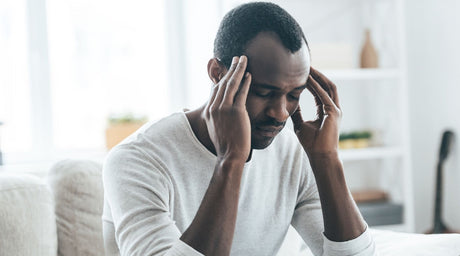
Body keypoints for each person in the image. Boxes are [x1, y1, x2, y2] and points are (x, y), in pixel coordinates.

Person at [102, 2, 376, 256]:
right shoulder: (134, 160)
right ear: (217, 74)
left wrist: (326, 160)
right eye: (263, 92)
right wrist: (231, 160)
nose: (280, 113)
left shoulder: (291, 152)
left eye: (294, 94)